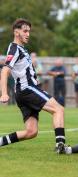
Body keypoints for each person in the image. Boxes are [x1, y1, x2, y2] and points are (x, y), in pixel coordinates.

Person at [0, 18, 66, 154]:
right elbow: (5, 70)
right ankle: (61, 145)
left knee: (31, 132)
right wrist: (4, 93)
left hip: (22, 92)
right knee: (58, 109)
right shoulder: (15, 48)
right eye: (25, 31)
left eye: (29, 31)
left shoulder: (21, 49)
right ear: (16, 32)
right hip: (27, 89)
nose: (28, 34)